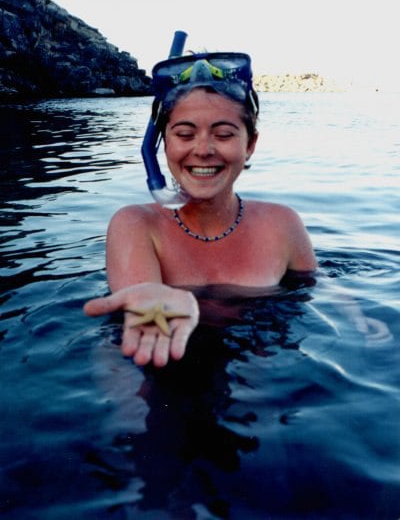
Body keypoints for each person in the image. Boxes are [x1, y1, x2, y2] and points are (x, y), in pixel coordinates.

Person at [84, 48, 317, 367]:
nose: (204, 149)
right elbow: (139, 307)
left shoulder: (283, 223)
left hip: (261, 368)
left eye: (223, 134)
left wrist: (361, 321)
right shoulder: (136, 224)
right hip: (159, 366)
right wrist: (154, 303)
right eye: (184, 134)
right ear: (164, 143)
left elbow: (318, 291)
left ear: (250, 144)